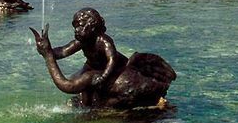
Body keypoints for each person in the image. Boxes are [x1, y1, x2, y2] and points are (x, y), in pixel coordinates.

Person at [30, 7, 176, 109]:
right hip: (93, 66)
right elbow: (63, 51)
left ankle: (92, 104)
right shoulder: (81, 41)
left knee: (86, 81)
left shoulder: (104, 41)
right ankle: (86, 105)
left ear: (92, 26)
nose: (76, 31)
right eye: (75, 27)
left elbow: (111, 60)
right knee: (82, 83)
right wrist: (48, 50)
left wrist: (104, 77)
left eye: (80, 26)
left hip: (114, 68)